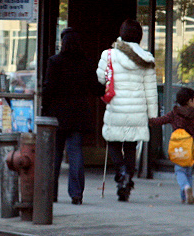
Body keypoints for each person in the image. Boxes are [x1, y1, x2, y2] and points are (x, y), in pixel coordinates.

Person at [41, 28, 105, 205]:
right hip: (78, 115)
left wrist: (44, 108)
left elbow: (49, 89)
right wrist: (107, 86)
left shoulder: (54, 62)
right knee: (75, 153)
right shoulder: (86, 63)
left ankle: (50, 193)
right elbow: (95, 88)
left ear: (63, 43)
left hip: (57, 115)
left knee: (54, 154)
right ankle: (76, 194)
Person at [96, 19, 158, 202]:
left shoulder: (109, 55)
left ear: (121, 34)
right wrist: (153, 115)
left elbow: (101, 79)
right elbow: (151, 90)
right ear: (139, 37)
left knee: (114, 143)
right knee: (131, 146)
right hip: (137, 110)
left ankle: (121, 172)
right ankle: (127, 179)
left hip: (116, 106)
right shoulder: (147, 58)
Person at [149, 87, 194, 204]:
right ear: (190, 101)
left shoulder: (175, 113)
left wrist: (150, 121)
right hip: (190, 148)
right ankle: (185, 195)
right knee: (188, 170)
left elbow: (161, 120)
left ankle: (185, 188)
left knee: (179, 170)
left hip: (178, 147)